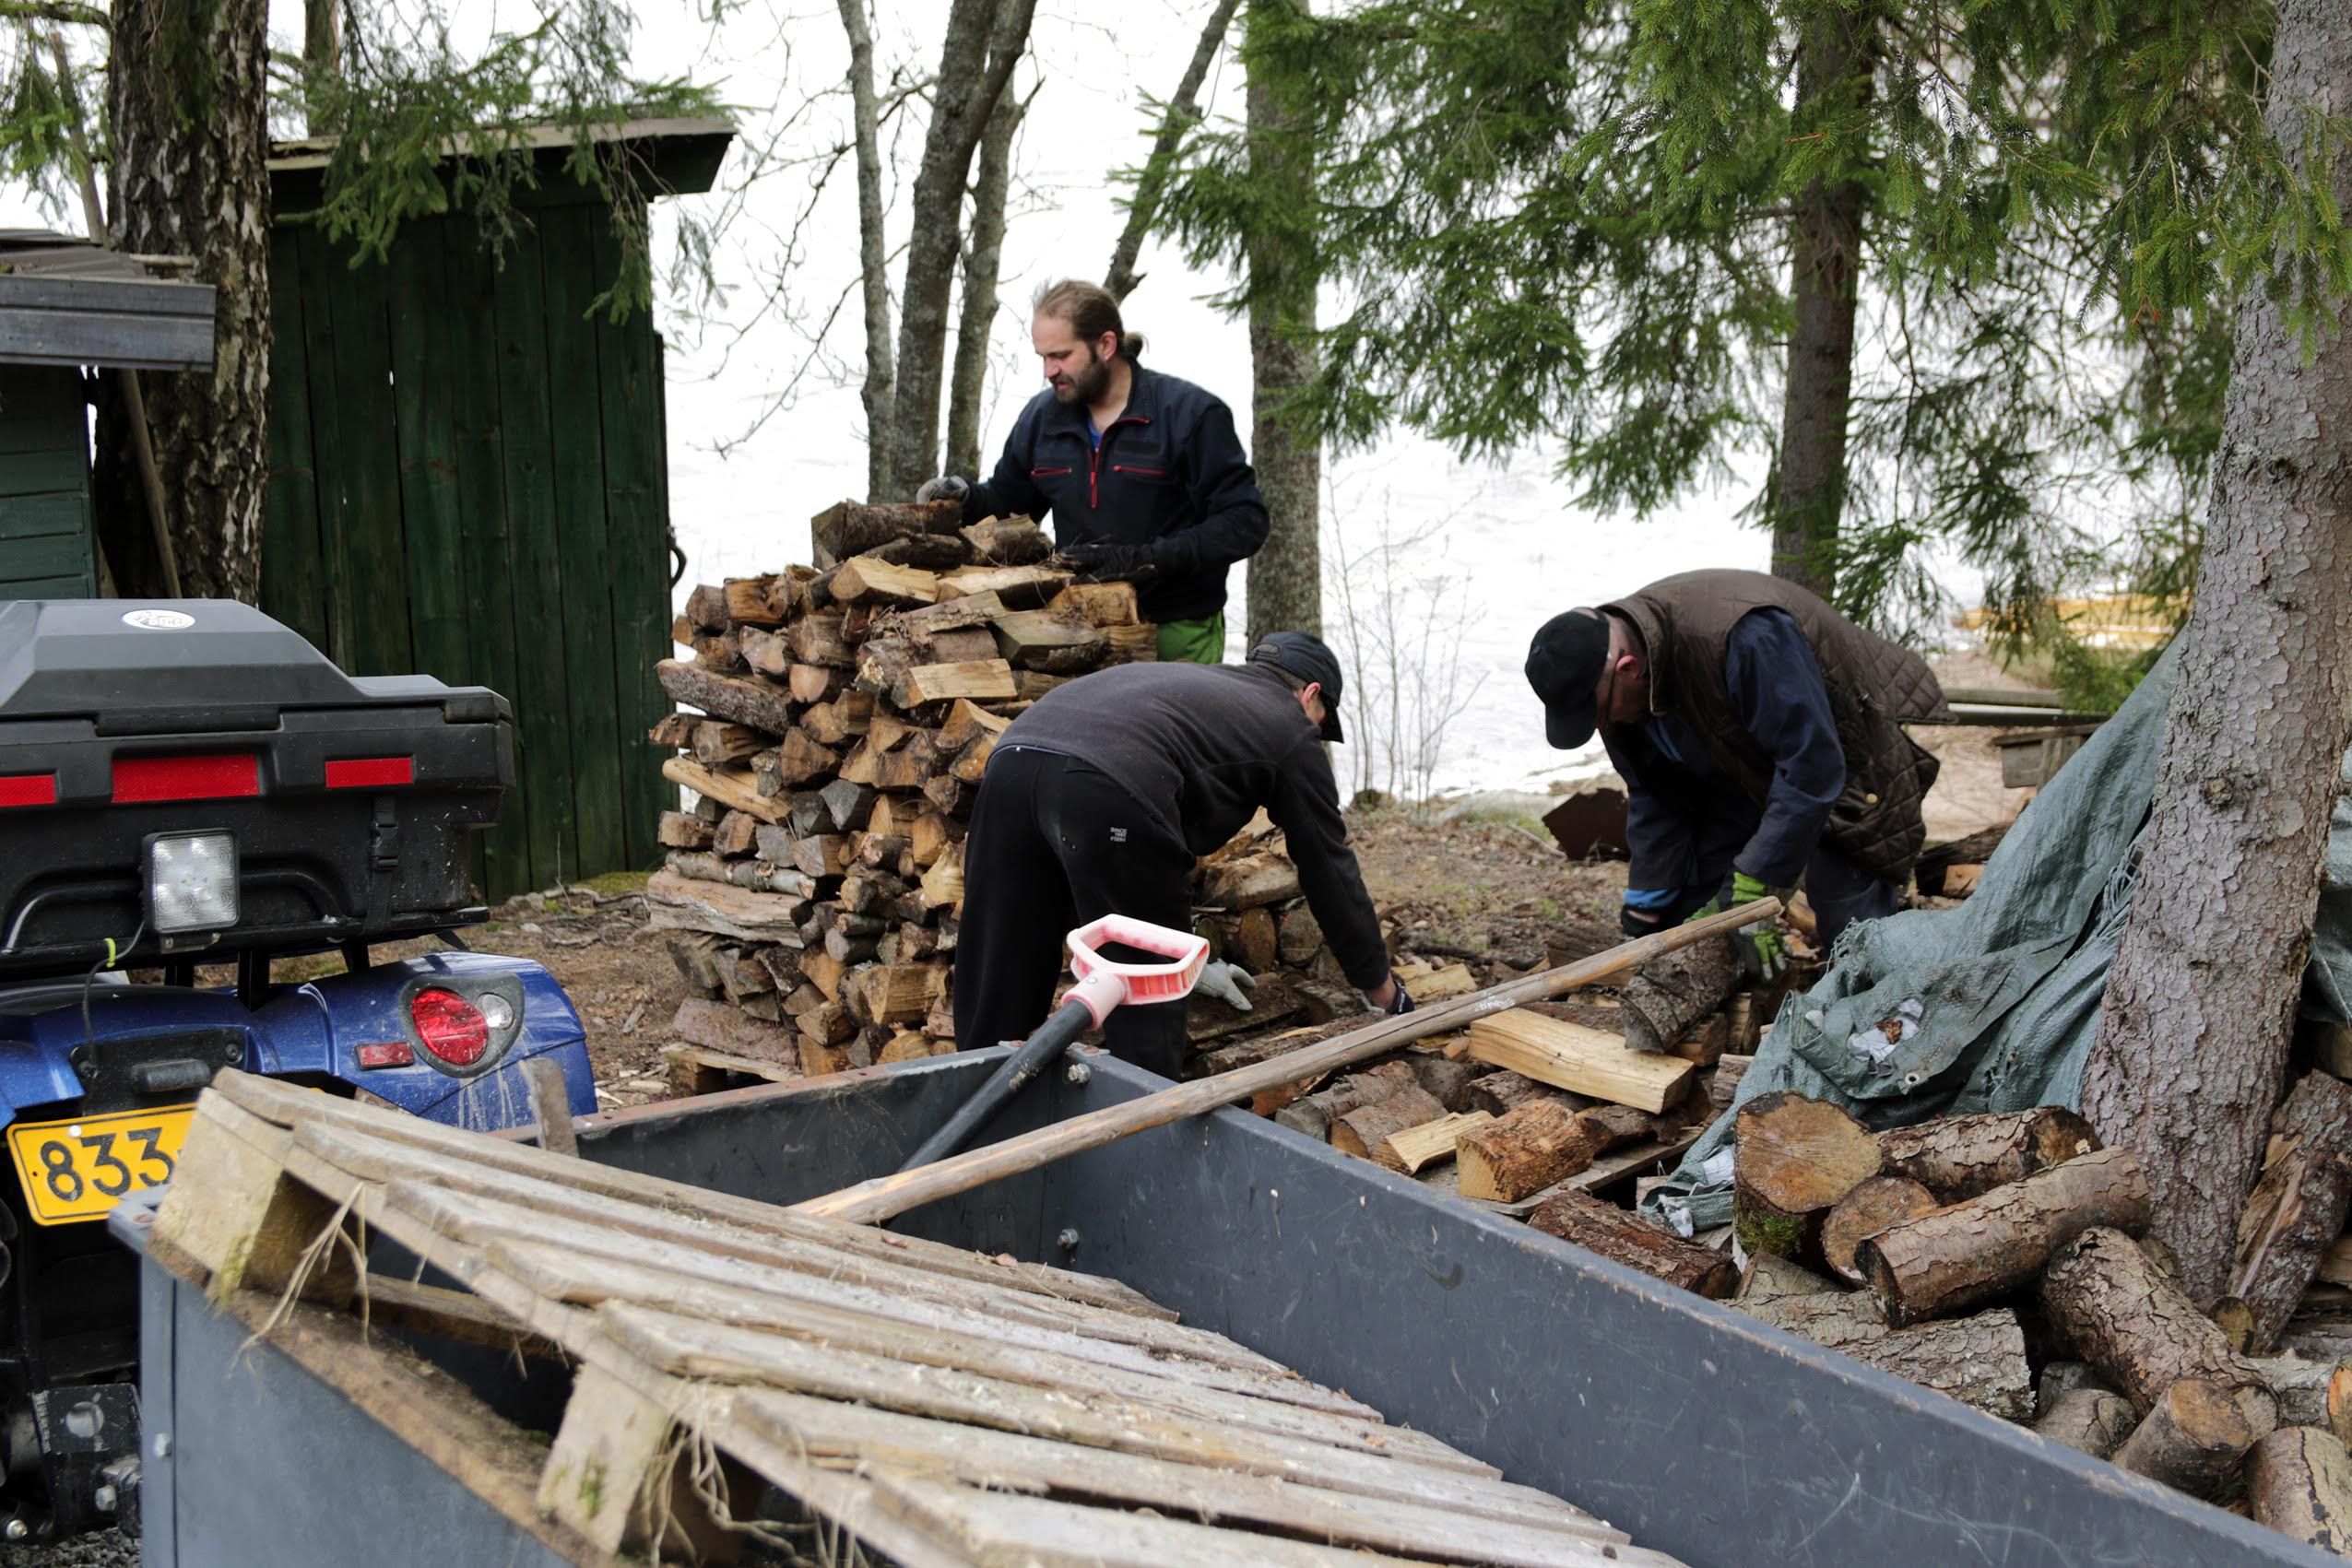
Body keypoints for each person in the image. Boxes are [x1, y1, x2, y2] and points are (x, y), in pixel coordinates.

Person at [953, 631, 1411, 1079]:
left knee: (1000, 964)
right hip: (1105, 783)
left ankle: (968, 1105)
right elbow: (1329, 870)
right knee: (1144, 995)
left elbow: (1100, 875)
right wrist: (1383, 991)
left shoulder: (1189, 688)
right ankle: (1137, 1130)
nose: (1315, 732)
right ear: (1311, 695)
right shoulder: (1288, 725)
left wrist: (1193, 963)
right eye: (1321, 719)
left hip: (1012, 762)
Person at [1523, 569, 1953, 974]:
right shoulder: (1618, 688)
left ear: (1628, 669)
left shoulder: (1748, 639)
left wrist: (1758, 881)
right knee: (1687, 915)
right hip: (1746, 760)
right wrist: (1647, 897)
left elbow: (1813, 770)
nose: (1600, 725)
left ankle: (1881, 1019)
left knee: (1849, 919)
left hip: (1849, 755)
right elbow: (1655, 791)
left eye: (1596, 713)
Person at [917, 280, 1269, 666]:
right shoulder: (1042, 419)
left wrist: (1142, 559)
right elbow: (1010, 507)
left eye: (1062, 356)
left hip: (1175, 628)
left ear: (1106, 345)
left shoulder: (1189, 415)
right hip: (1078, 622)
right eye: (1044, 357)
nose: (1050, 371)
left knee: (1166, 729)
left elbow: (1244, 523)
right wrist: (965, 496)